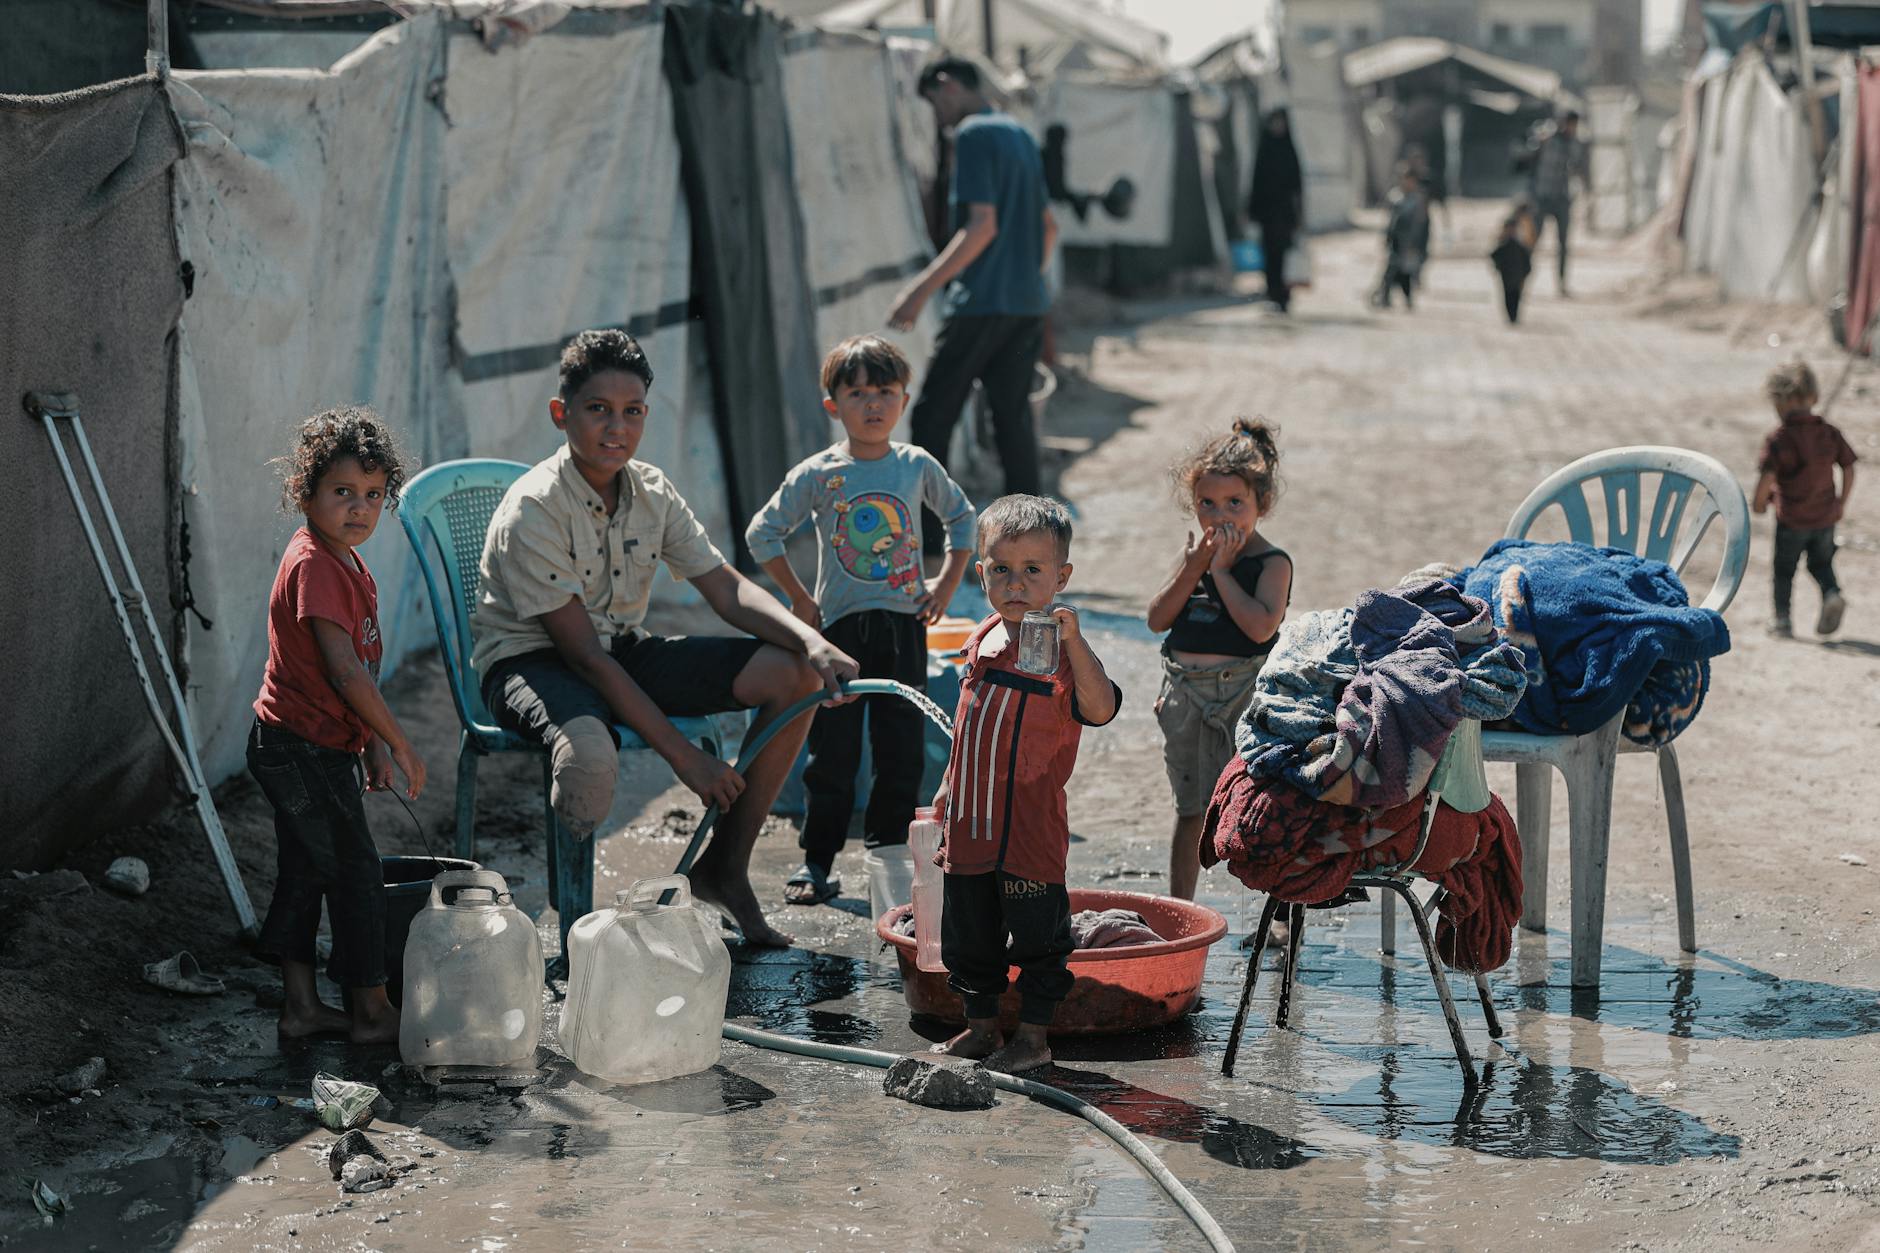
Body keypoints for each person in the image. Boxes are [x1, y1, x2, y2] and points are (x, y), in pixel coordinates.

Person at [471, 329, 859, 949]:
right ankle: (573, 930)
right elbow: (582, 657)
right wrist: (688, 758)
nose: (615, 428)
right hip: (532, 662)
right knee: (589, 767)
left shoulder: (649, 489)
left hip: (619, 648)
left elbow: (726, 589)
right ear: (560, 414)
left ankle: (724, 870)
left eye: (632, 412)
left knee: (795, 674)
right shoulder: (535, 507)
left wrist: (811, 641)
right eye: (597, 409)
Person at [745, 335, 977, 906]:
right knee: (833, 756)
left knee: (900, 752)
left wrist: (944, 583)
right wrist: (801, 600)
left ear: (903, 398)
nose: (872, 405)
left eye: (885, 392)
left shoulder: (915, 464)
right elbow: (761, 534)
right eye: (857, 393)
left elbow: (963, 520)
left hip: (904, 628)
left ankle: (889, 864)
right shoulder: (821, 474)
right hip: (838, 635)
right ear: (834, 405)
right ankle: (817, 864)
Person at [248, 406, 424, 1044]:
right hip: (298, 749)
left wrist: (372, 743)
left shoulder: (346, 559)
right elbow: (346, 671)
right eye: (343, 492)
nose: (359, 508)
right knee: (355, 873)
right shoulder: (316, 564)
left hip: (313, 745)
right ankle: (372, 1011)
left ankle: (300, 1008)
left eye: (374, 495)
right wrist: (401, 741)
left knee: (306, 871)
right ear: (306, 493)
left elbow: (358, 675)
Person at [929, 495, 1121, 1072]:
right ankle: (981, 1028)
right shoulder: (983, 636)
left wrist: (1075, 642)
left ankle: (1034, 1039)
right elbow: (967, 723)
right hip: (971, 821)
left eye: (1033, 571)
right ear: (981, 572)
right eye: (1001, 570)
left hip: (1029, 826)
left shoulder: (1061, 649)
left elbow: (1103, 707)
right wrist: (946, 784)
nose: (1016, 584)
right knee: (969, 935)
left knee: (1040, 938)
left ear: (1061, 578)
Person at [892, 57, 1057, 526]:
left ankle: (930, 550)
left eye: (933, 102)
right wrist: (1026, 279)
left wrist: (918, 291)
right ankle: (1035, 541)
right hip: (1026, 305)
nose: (936, 116)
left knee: (930, 420)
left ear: (947, 85)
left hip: (981, 303)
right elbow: (1050, 227)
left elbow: (981, 227)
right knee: (1013, 425)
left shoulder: (973, 135)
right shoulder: (1021, 134)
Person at [1145, 420, 1291, 901]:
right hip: (1185, 695)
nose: (1220, 515)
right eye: (1207, 503)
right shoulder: (1195, 557)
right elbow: (1157, 618)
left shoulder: (1271, 564)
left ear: (1260, 506)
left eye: (1235, 504)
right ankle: (1180, 909)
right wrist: (1194, 568)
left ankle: (1276, 918)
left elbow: (1260, 627)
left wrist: (1223, 573)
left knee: (1256, 805)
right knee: (1191, 809)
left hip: (1243, 695)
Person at [1754, 360, 1858, 638]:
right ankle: (1832, 593)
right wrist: (1841, 503)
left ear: (1781, 402)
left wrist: (1759, 503)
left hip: (1792, 520)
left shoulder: (1779, 439)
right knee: (1821, 563)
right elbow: (1848, 467)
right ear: (1813, 397)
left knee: (1784, 570)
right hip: (1826, 517)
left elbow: (1766, 479)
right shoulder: (1829, 432)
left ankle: (1782, 621)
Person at [1523, 109, 1589, 297]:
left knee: (1563, 244)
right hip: (1542, 196)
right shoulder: (1546, 139)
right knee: (1533, 241)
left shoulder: (1575, 143)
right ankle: (1523, 281)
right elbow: (1529, 156)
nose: (1572, 129)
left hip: (1561, 198)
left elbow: (1578, 167)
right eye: (1570, 124)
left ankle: (1561, 285)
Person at [1248, 108, 1305, 313]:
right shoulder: (1264, 149)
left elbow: (1297, 186)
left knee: (1284, 255)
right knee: (1269, 254)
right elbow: (1257, 181)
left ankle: (1284, 294)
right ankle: (1272, 292)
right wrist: (1252, 210)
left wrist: (1299, 214)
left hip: (1286, 214)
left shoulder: (1289, 149)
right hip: (1267, 213)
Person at [1379, 163, 1430, 311]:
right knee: (1391, 270)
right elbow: (1391, 221)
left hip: (1411, 240)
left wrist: (1418, 244)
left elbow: (1421, 224)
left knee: (1406, 272)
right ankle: (1385, 297)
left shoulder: (1418, 200)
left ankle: (1407, 299)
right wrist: (1387, 238)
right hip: (1396, 239)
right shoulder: (1396, 197)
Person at [1490, 204, 1536, 324]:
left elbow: (1527, 261)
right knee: (1507, 297)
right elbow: (1494, 256)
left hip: (1517, 276)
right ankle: (1510, 317)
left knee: (1516, 297)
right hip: (1506, 277)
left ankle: (1514, 317)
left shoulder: (1520, 246)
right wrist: (1498, 267)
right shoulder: (1503, 246)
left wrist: (1525, 273)